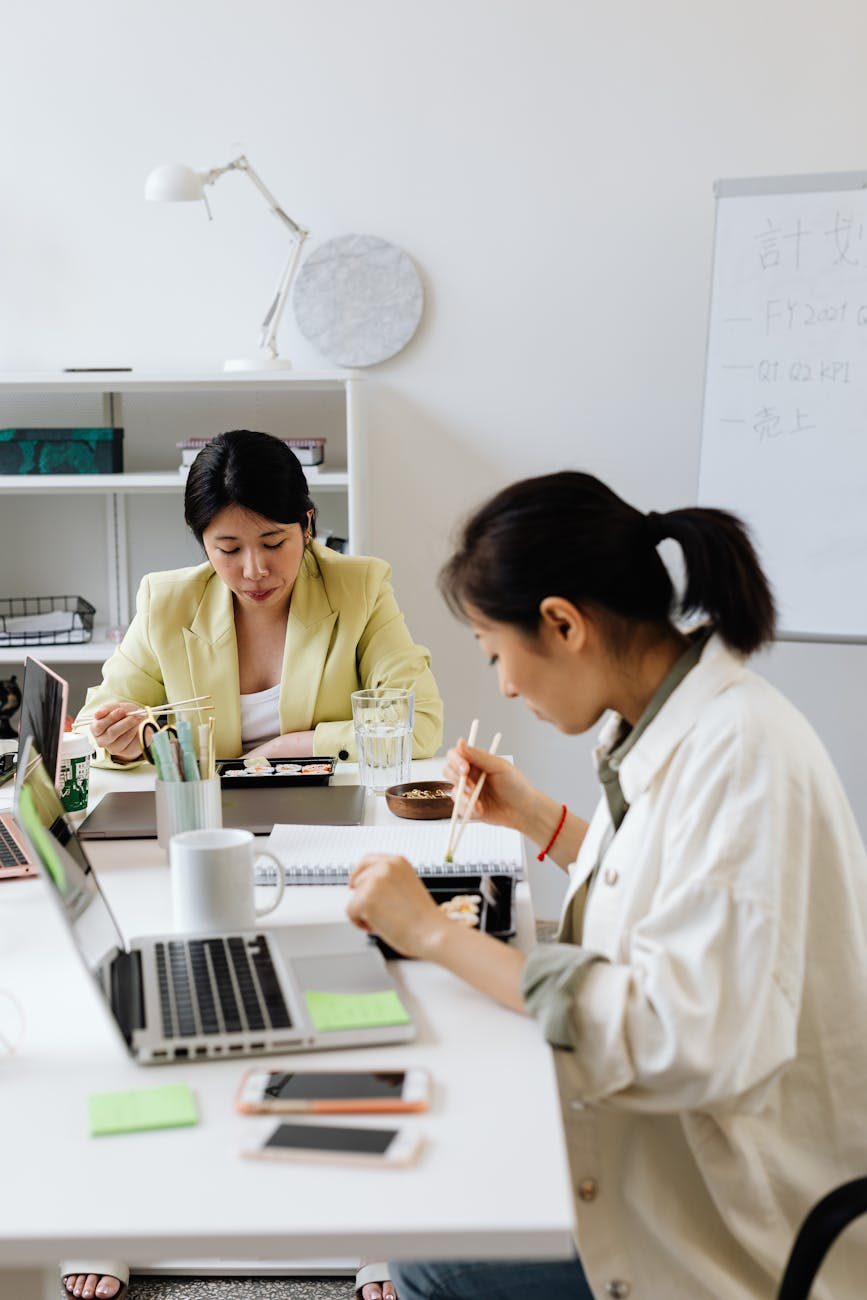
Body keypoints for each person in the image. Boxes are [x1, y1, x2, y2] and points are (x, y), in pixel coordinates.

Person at [346, 471, 867, 1300]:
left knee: (430, 1260)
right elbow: (663, 884)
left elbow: (679, 1035)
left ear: (561, 623)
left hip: (738, 1219)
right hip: (678, 1146)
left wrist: (433, 934)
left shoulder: (738, 754)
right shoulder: (670, 721)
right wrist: (532, 815)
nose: (506, 685)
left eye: (494, 653)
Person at [62, 429, 443, 1300]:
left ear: (307, 526)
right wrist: (129, 729)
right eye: (227, 548)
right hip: (201, 829)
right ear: (201, 546)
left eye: (273, 542)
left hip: (330, 832)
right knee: (147, 983)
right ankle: (120, 1212)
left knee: (352, 997)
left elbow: (416, 720)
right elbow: (99, 721)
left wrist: (310, 739)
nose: (252, 569)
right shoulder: (168, 600)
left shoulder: (359, 587)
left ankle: (374, 1229)